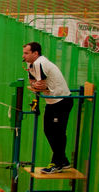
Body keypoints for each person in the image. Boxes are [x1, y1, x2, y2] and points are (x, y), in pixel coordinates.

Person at [22, 41, 73, 174]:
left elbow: (41, 85)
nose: (24, 56)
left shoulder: (40, 63)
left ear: (35, 53)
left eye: (26, 53)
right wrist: (36, 85)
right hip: (51, 102)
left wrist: (37, 85)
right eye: (24, 53)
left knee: (58, 132)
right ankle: (63, 160)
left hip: (62, 101)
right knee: (48, 130)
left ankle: (57, 163)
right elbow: (33, 83)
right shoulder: (30, 64)